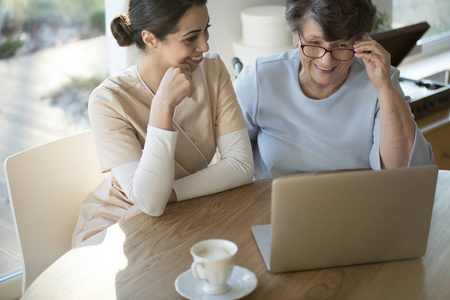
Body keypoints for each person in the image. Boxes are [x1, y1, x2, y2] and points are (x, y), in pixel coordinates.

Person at [72, 0, 253, 246]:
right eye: (191, 38)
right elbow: (148, 202)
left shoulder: (213, 70)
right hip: (116, 225)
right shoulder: (108, 100)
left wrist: (168, 193)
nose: (205, 44)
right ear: (150, 39)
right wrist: (162, 107)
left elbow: (241, 165)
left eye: (205, 29)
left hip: (181, 211)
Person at [233, 0, 434, 180]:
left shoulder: (380, 80)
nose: (326, 60)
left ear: (360, 41)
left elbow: (406, 174)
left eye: (341, 45)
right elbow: (232, 161)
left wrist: (385, 88)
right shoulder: (259, 79)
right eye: (314, 43)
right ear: (296, 36)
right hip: (271, 211)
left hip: (358, 210)